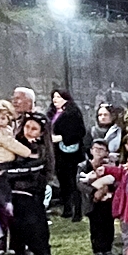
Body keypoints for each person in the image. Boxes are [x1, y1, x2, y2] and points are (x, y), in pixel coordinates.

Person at [4, 111, 55, 255]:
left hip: (31, 195)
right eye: (27, 126)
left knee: (33, 231)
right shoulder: (14, 144)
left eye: (34, 129)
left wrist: (6, 172)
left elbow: (31, 168)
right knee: (15, 231)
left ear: (41, 132)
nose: (29, 131)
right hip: (12, 195)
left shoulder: (40, 149)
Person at [49, 89, 86, 222]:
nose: (55, 100)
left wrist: (62, 137)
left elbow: (80, 131)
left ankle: (78, 211)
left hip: (72, 154)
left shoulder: (73, 113)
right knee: (63, 181)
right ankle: (67, 208)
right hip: (57, 153)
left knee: (73, 182)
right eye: (54, 97)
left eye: (58, 97)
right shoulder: (51, 113)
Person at [78, 140, 118, 255]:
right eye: (96, 149)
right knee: (95, 227)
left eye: (102, 150)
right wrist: (94, 191)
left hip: (108, 201)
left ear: (107, 152)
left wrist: (107, 188)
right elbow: (79, 184)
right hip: (93, 203)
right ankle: (97, 251)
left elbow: (116, 180)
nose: (99, 152)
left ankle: (108, 249)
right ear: (91, 151)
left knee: (108, 226)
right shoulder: (83, 166)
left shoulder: (110, 166)